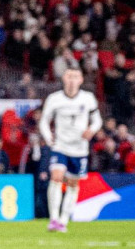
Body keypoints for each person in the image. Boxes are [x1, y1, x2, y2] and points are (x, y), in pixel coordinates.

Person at [39, 68, 103, 233]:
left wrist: (92, 130)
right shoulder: (54, 99)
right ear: (64, 79)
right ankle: (53, 219)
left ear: (81, 79)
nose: (72, 80)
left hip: (79, 149)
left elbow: (97, 120)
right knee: (56, 178)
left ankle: (63, 220)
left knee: (73, 185)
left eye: (75, 76)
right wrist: (48, 137)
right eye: (69, 76)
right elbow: (44, 121)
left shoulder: (88, 98)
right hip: (60, 146)